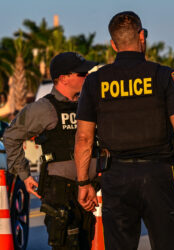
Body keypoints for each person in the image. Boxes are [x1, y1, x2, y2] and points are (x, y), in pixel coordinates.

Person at [74, 11, 174, 250]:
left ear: (113, 44)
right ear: (142, 36)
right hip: (159, 175)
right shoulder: (163, 75)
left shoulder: (95, 81)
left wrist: (83, 183)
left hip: (116, 177)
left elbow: (83, 138)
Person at [3, 52, 98, 249]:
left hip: (88, 189)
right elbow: (11, 136)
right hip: (61, 192)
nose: (87, 76)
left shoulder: (88, 104)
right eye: (81, 74)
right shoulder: (44, 108)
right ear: (63, 78)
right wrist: (24, 175)